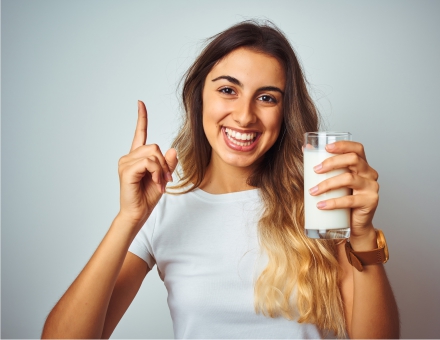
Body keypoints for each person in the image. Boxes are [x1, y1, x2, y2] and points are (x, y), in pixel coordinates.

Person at [42, 21, 399, 339]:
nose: (244, 116)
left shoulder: (320, 199)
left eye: (266, 97)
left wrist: (364, 235)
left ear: (284, 113)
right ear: (199, 97)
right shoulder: (163, 206)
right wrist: (128, 219)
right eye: (228, 90)